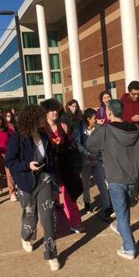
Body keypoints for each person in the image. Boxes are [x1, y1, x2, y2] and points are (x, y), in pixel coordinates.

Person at [87, 99, 139, 260]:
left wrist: (98, 127)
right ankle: (121, 228)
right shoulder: (135, 129)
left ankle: (129, 247)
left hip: (116, 177)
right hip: (133, 176)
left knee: (120, 211)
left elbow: (90, 145)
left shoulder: (105, 130)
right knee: (124, 208)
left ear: (109, 113)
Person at [4, 105, 60, 271]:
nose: (44, 119)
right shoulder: (17, 138)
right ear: (32, 119)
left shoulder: (43, 135)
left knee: (48, 217)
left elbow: (50, 158)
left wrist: (55, 179)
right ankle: (26, 236)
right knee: (31, 217)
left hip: (45, 180)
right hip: (26, 183)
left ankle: (51, 254)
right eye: (41, 117)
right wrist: (27, 165)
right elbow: (9, 161)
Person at [41, 99, 85, 234]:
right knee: (51, 198)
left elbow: (72, 145)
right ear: (46, 113)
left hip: (65, 166)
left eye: (56, 110)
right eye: (51, 110)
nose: (54, 112)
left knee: (69, 195)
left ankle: (75, 222)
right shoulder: (41, 129)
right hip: (49, 168)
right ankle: (53, 225)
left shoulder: (64, 126)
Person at [73, 108, 113, 217]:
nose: (97, 120)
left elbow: (103, 143)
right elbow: (78, 145)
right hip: (85, 163)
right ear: (88, 119)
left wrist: (98, 156)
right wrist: (87, 155)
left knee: (102, 184)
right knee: (85, 184)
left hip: (97, 161)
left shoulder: (100, 129)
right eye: (94, 118)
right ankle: (87, 202)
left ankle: (107, 206)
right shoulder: (79, 131)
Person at [0, 113, 17, 201]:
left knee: (10, 174)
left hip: (8, 155)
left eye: (0, 119)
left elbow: (14, 140)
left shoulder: (8, 130)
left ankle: (12, 193)